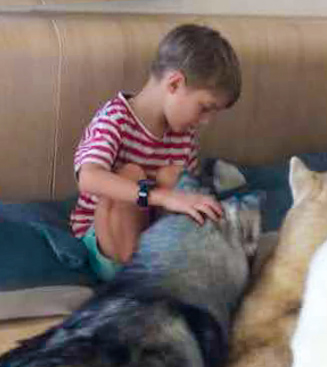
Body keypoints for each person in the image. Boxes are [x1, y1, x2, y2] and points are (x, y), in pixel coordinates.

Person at [69, 24, 242, 281]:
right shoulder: (114, 119)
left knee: (176, 176)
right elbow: (89, 178)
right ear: (174, 84)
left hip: (152, 239)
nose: (206, 121)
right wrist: (162, 197)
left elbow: (185, 191)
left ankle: (163, 265)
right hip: (106, 244)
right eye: (205, 108)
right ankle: (138, 279)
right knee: (131, 173)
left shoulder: (183, 134)